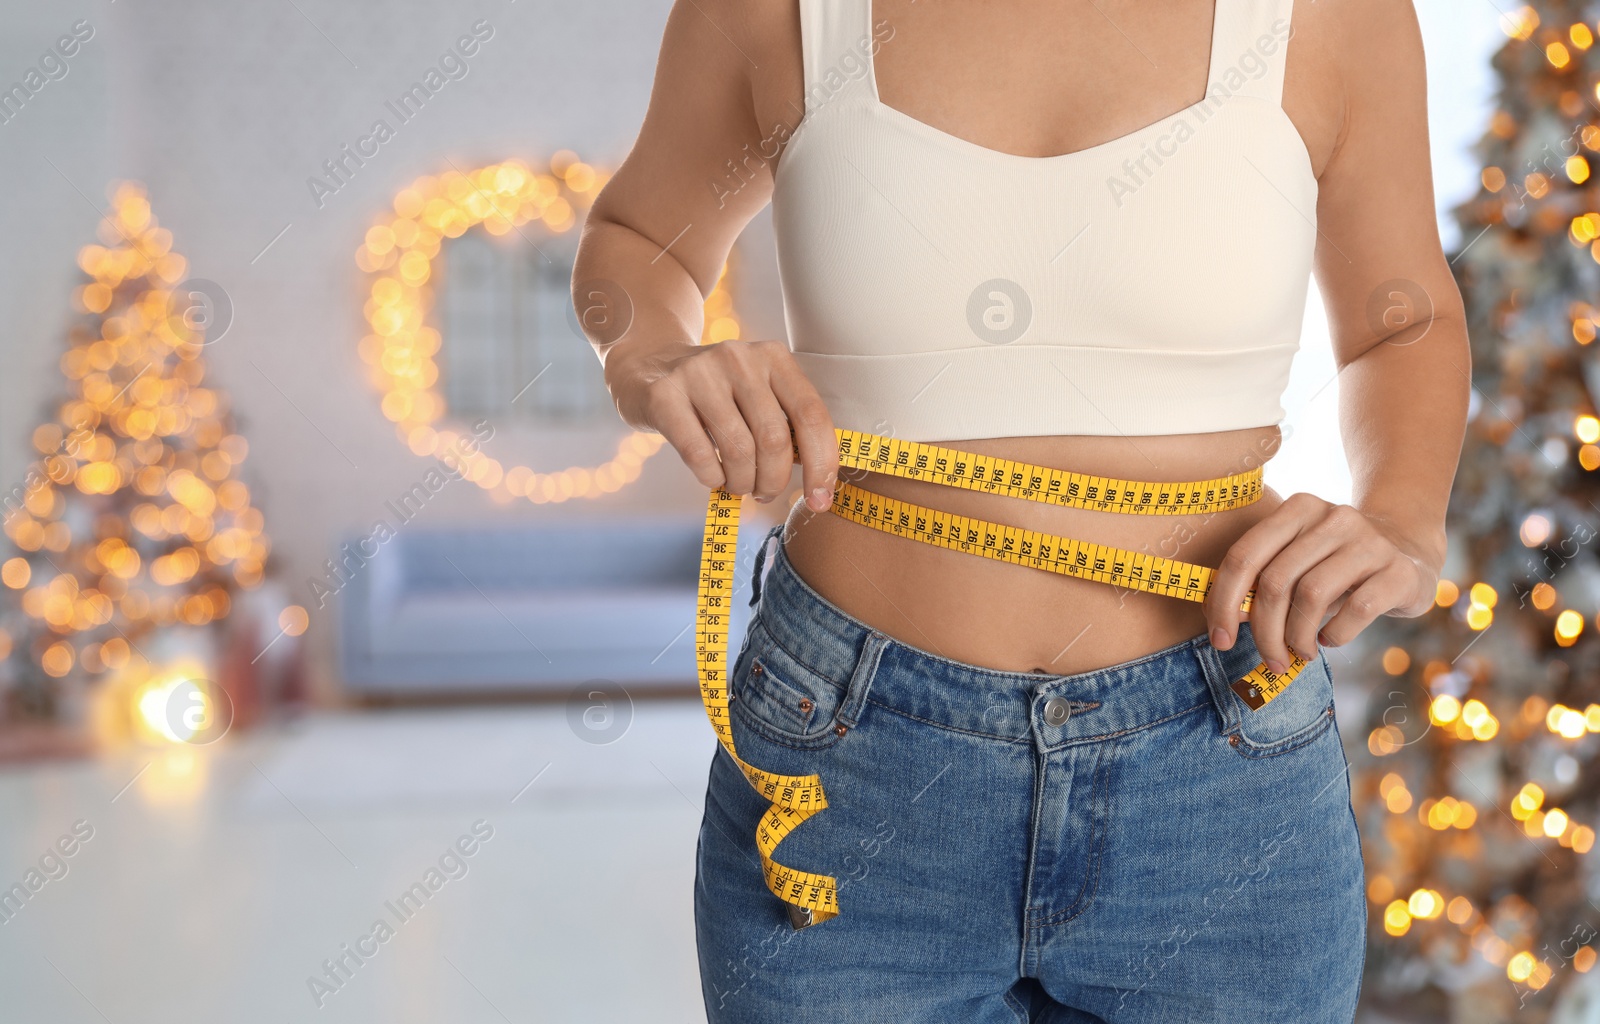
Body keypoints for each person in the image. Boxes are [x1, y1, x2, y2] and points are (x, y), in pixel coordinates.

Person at [574, 0, 1466, 1019]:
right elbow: (640, 238)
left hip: (1220, 758)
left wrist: (1402, 515)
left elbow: (1403, 320)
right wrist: (651, 356)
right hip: (845, 762)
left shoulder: (1333, 15)